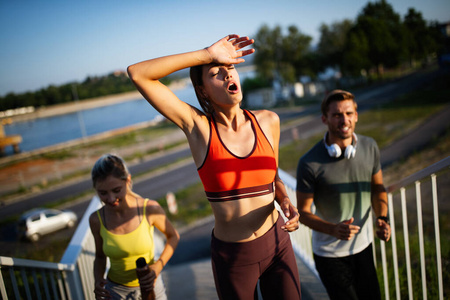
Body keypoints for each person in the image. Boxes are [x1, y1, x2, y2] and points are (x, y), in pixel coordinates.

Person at [127, 34, 301, 300]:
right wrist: (207, 54)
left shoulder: (268, 121)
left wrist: (285, 199)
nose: (228, 75)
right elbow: (138, 73)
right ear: (202, 90)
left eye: (230, 69)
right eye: (216, 73)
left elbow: (273, 177)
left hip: (278, 244)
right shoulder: (199, 129)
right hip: (234, 258)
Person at [296, 89, 391, 300]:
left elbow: (377, 188)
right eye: (337, 114)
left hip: (364, 246)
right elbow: (302, 213)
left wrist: (382, 218)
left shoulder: (370, 146)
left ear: (356, 116)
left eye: (349, 113)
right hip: (329, 255)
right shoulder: (309, 162)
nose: (344, 119)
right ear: (325, 119)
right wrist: (333, 229)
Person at [89, 154, 179, 300]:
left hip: (152, 288)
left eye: (117, 190)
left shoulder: (149, 209)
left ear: (128, 180)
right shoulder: (96, 219)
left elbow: (173, 236)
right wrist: (98, 280)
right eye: (103, 193)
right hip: (116, 292)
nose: (111, 199)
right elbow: (100, 256)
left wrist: (157, 267)